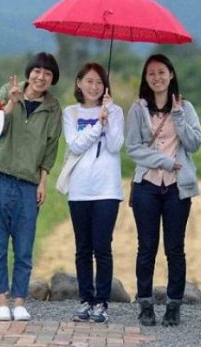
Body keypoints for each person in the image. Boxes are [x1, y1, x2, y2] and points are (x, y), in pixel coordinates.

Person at [0, 52, 62, 321]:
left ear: (52, 80)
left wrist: (43, 182)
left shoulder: (53, 108)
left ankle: (19, 301)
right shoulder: (7, 91)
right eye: (37, 71)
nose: (41, 77)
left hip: (28, 185)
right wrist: (10, 105)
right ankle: (1, 301)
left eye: (47, 73)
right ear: (29, 73)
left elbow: (50, 148)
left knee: (24, 248)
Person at [126, 54, 201, 327]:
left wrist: (179, 116)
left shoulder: (186, 108)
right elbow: (133, 148)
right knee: (146, 248)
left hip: (176, 189)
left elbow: (194, 144)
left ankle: (173, 305)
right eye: (151, 74)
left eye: (161, 72)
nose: (157, 78)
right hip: (147, 185)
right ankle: (145, 303)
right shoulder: (138, 109)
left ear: (171, 74)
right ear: (146, 79)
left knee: (175, 249)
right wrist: (166, 161)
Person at [62, 63, 124, 323]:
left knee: (103, 247)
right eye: (88, 81)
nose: (94, 86)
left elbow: (115, 144)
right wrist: (97, 125)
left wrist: (107, 119)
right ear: (79, 83)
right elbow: (75, 145)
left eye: (99, 82)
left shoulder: (116, 111)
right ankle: (86, 300)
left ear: (105, 86)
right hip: (79, 189)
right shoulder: (70, 113)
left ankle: (102, 303)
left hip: (107, 189)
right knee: (82, 248)